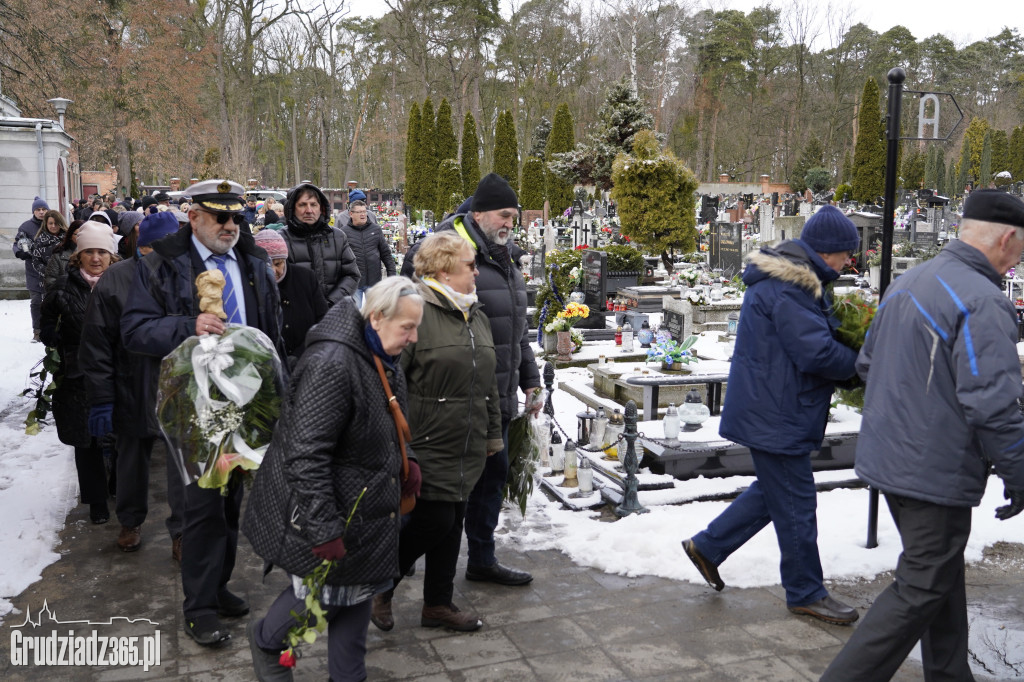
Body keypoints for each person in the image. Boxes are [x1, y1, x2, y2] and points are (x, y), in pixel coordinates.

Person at [821, 190, 1024, 681]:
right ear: (1008, 238)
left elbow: (868, 364)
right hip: (933, 471)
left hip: (891, 458)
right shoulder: (982, 302)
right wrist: (1020, 473)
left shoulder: (910, 281)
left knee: (940, 576)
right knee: (920, 588)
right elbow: (995, 405)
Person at [122, 178, 285, 647]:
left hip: (247, 405)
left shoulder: (253, 262)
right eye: (220, 216)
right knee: (200, 509)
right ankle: (199, 608)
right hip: (194, 410)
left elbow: (272, 334)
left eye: (238, 217)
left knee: (231, 501)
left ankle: (218, 585)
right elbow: (134, 330)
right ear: (193, 216)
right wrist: (186, 326)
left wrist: (281, 393)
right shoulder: (164, 265)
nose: (231, 225)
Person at [681, 205, 860, 625]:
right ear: (826, 250)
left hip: (775, 407)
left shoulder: (794, 281)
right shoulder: (789, 287)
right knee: (797, 503)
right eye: (845, 253)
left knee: (776, 492)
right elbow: (814, 351)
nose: (849, 261)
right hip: (778, 412)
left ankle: (708, 546)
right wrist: (861, 362)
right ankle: (805, 591)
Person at [243, 276, 424, 682]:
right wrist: (323, 527)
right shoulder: (333, 365)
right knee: (319, 597)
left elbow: (392, 414)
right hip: (330, 510)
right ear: (376, 317)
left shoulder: (377, 350)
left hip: (363, 509)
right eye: (407, 328)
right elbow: (306, 454)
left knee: (355, 597)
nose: (412, 338)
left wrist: (406, 460)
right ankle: (269, 642)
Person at [401, 172, 541, 586]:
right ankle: (399, 556)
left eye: (514, 218)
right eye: (504, 215)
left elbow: (516, 333)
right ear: (478, 213)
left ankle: (481, 557)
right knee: (439, 494)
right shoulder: (444, 257)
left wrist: (529, 380)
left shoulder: (506, 259)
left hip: (494, 395)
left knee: (491, 480)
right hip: (448, 400)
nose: (509, 225)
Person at [372, 232, 503, 634]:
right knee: (435, 520)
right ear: (444, 269)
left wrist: (492, 436)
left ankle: (437, 605)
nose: (477, 272)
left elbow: (488, 382)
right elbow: (387, 380)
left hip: (467, 440)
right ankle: (379, 583)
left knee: (454, 518)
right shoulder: (417, 312)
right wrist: (397, 444)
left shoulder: (475, 314)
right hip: (424, 442)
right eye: (469, 265)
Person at [81, 212, 184, 554]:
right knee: (131, 459)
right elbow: (96, 343)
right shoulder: (116, 279)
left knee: (183, 462)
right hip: (131, 382)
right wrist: (102, 397)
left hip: (179, 383)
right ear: (140, 246)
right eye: (151, 246)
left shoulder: (187, 276)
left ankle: (182, 531)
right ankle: (129, 521)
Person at [40, 221, 120, 524]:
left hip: (116, 371)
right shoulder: (62, 287)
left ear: (111, 255)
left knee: (118, 436)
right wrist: (54, 336)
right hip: (77, 374)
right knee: (87, 442)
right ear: (78, 255)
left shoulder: (123, 283)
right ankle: (96, 501)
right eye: (89, 252)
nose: (96, 258)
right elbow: (47, 322)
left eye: (102, 251)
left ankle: (116, 486)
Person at [253, 229, 328, 367]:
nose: (273, 271)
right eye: (267, 265)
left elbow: (323, 320)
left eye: (278, 264)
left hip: (307, 361)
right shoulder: (251, 284)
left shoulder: (306, 278)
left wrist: (301, 354)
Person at [280, 182, 360, 306]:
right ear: (292, 208)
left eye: (313, 204)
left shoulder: (337, 237)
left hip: (333, 315)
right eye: (302, 205)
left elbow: (351, 275)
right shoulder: (281, 239)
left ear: (321, 207)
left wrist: (330, 303)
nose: (309, 210)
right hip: (298, 316)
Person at [339, 199, 396, 305]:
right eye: (359, 212)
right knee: (356, 315)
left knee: (376, 313)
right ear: (351, 214)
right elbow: (339, 258)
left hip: (374, 281)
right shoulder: (344, 232)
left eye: (364, 211)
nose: (363, 214)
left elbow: (386, 254)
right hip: (354, 282)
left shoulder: (376, 229)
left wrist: (392, 275)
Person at [12, 196, 49, 341]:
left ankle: (52, 328)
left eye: (43, 209)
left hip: (50, 269)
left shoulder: (52, 224)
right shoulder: (26, 227)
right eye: (38, 209)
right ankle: (37, 330)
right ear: (33, 211)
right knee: (36, 301)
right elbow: (17, 243)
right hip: (33, 270)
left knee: (51, 300)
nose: (41, 212)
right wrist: (20, 252)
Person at [28, 210, 68, 340]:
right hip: (48, 283)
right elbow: (36, 260)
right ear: (46, 224)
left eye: (56, 223)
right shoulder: (40, 241)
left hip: (67, 281)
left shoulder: (67, 239)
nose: (53, 226)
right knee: (50, 311)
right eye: (50, 223)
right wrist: (48, 273)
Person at [44, 220, 85, 295]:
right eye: (78, 235)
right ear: (70, 236)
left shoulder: (94, 255)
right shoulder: (59, 255)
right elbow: (50, 281)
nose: (82, 238)